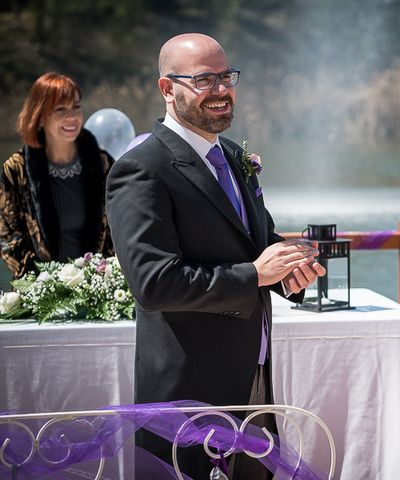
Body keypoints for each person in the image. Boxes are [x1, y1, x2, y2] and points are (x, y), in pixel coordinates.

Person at [106, 33, 325, 479]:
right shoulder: (142, 168)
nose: (222, 90)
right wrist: (253, 276)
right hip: (189, 392)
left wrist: (288, 272)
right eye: (204, 80)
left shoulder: (231, 155)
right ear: (168, 89)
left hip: (253, 377)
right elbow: (153, 282)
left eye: (226, 76)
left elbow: (256, 242)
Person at [0, 72, 114, 278]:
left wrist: (103, 277)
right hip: (40, 294)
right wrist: (41, 284)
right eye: (60, 109)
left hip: (96, 290)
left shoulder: (104, 164)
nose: (72, 117)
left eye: (76, 107)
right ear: (40, 116)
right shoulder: (15, 170)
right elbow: (7, 238)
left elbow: (119, 230)